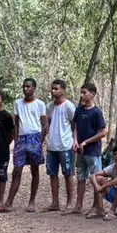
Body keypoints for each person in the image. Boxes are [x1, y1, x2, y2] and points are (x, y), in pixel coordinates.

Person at [4, 78, 47, 212]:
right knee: (17, 170)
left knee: (34, 170)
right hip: (21, 139)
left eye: (28, 86)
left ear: (34, 88)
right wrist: (16, 141)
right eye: (24, 86)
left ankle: (32, 201)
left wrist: (40, 141)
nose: (25, 89)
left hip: (35, 137)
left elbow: (45, 125)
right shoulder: (18, 103)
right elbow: (16, 123)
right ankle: (9, 202)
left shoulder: (40, 104)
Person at [71, 82, 107, 215]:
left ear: (92, 94)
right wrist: (75, 140)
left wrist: (87, 141)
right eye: (81, 92)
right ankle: (78, 206)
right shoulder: (79, 110)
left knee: (96, 178)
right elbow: (75, 126)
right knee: (80, 177)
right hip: (80, 151)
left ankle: (97, 207)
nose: (82, 95)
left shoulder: (97, 112)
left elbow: (103, 132)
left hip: (93, 151)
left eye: (84, 92)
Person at [45, 79, 76, 212]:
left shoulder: (69, 106)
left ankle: (69, 202)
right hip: (52, 145)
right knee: (52, 174)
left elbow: (74, 124)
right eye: (52, 89)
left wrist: (74, 140)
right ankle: (55, 202)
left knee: (68, 174)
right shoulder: (49, 106)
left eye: (56, 89)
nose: (53, 91)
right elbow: (48, 123)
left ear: (63, 90)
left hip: (65, 145)